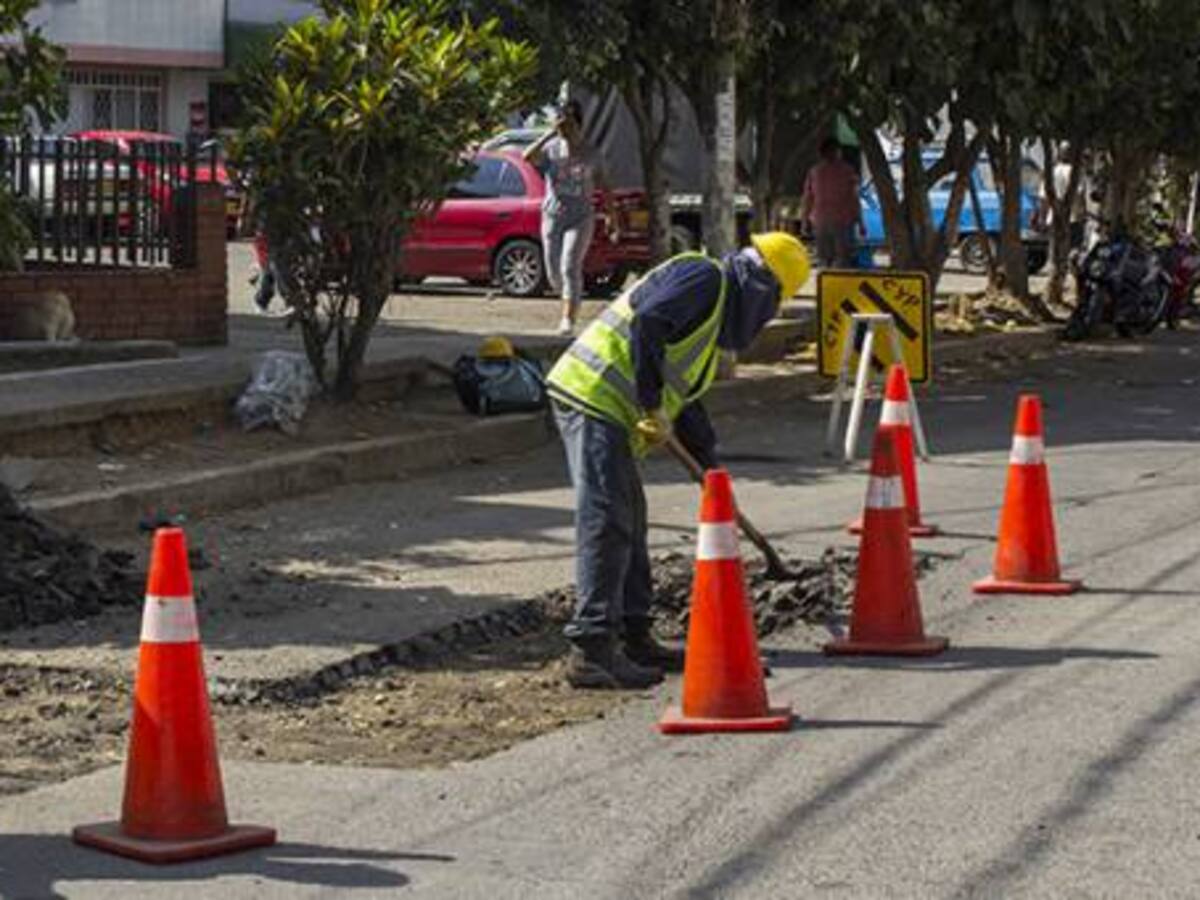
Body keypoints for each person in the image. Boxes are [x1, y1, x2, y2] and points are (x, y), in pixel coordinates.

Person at [546, 232, 811, 688]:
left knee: (630, 519)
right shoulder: (704, 277)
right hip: (592, 395)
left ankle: (634, 635)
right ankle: (590, 648)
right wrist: (649, 405)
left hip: (613, 410)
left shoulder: (709, 326)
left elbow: (684, 402)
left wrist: (712, 473)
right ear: (761, 287)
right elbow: (647, 322)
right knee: (608, 518)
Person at [524, 100, 619, 336]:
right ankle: (566, 296)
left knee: (570, 265)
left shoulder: (592, 154)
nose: (564, 128)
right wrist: (548, 133)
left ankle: (568, 319)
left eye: (568, 122)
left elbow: (606, 187)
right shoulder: (551, 148)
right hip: (552, 216)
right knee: (554, 273)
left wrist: (611, 216)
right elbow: (527, 156)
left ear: (579, 124)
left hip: (581, 217)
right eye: (560, 122)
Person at [801, 137, 864, 269]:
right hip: (842, 221)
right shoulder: (847, 171)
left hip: (821, 221)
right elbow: (854, 197)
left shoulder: (814, 171)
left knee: (824, 260)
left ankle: (827, 286)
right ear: (837, 151)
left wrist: (805, 221)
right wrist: (860, 221)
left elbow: (808, 198)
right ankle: (838, 286)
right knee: (842, 259)